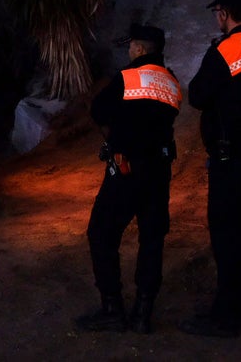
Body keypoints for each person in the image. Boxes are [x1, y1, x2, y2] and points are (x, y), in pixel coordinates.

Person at [181, 0, 241, 338]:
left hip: (230, 157)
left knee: (227, 235)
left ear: (224, 12)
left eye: (217, 13)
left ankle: (226, 316)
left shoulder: (226, 49)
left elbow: (197, 94)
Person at [76, 23, 182, 333]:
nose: (129, 50)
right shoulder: (172, 81)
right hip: (159, 172)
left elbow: (98, 111)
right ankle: (142, 313)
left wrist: (116, 135)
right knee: (152, 240)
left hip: (126, 170)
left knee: (101, 233)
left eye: (131, 46)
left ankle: (112, 307)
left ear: (139, 48)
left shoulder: (127, 78)